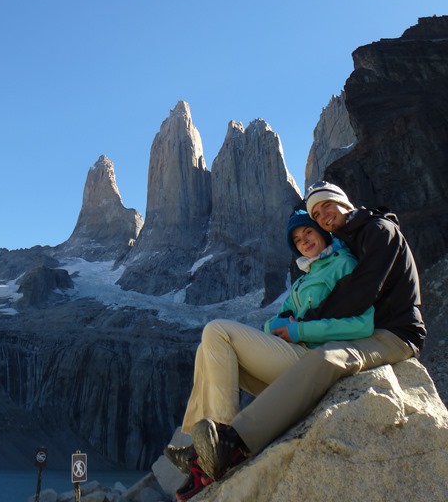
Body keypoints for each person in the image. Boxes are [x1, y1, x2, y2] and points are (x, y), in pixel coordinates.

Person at [189, 181, 426, 487]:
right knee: (214, 351)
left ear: (345, 203)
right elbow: (291, 312)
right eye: (316, 213)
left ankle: (231, 441)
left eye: (327, 206)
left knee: (327, 358)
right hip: (370, 329)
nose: (323, 215)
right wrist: (287, 323)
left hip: (395, 332)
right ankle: (204, 447)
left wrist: (302, 325)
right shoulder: (346, 243)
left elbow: (362, 292)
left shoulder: (377, 230)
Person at [165, 207, 375, 500]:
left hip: (311, 364)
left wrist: (300, 330)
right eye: (297, 239)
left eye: (309, 232)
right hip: (289, 360)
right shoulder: (303, 279)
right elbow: (273, 322)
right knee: (207, 349)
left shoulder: (344, 264)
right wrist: (277, 325)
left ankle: (220, 440)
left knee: (216, 331)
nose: (304, 241)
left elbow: (363, 324)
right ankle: (201, 450)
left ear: (322, 232)